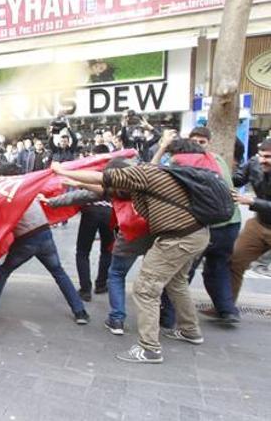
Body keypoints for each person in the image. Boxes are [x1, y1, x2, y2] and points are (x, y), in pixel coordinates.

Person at [53, 143, 210, 364]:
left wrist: (62, 171)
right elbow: (105, 189)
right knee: (177, 283)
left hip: (177, 238)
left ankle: (149, 349)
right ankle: (190, 331)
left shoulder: (139, 174)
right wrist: (75, 181)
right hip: (197, 233)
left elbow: (101, 181)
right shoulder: (156, 173)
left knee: (145, 289)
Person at [0, 164, 90, 324]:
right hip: (45, 234)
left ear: (3, 175)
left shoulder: (4, 193)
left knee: (3, 270)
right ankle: (80, 312)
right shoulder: (27, 188)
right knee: (59, 273)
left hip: (26, 239)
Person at [155, 129, 242, 325]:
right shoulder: (217, 160)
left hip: (206, 227)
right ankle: (227, 310)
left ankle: (168, 317)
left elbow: (154, 175)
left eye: (201, 141)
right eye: (194, 141)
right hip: (230, 223)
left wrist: (162, 148)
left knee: (179, 275)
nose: (197, 145)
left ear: (208, 142)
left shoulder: (184, 162)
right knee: (218, 268)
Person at [46, 144, 114, 302]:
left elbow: (80, 195)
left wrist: (52, 201)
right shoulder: (115, 170)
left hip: (91, 212)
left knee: (83, 252)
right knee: (107, 250)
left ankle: (85, 290)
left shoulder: (90, 172)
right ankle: (101, 284)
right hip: (110, 213)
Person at [230, 138, 271, 303]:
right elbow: (238, 179)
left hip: (260, 212)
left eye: (268, 157)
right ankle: (226, 307)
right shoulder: (254, 163)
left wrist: (252, 202)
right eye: (261, 155)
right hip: (259, 224)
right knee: (234, 261)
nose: (263, 161)